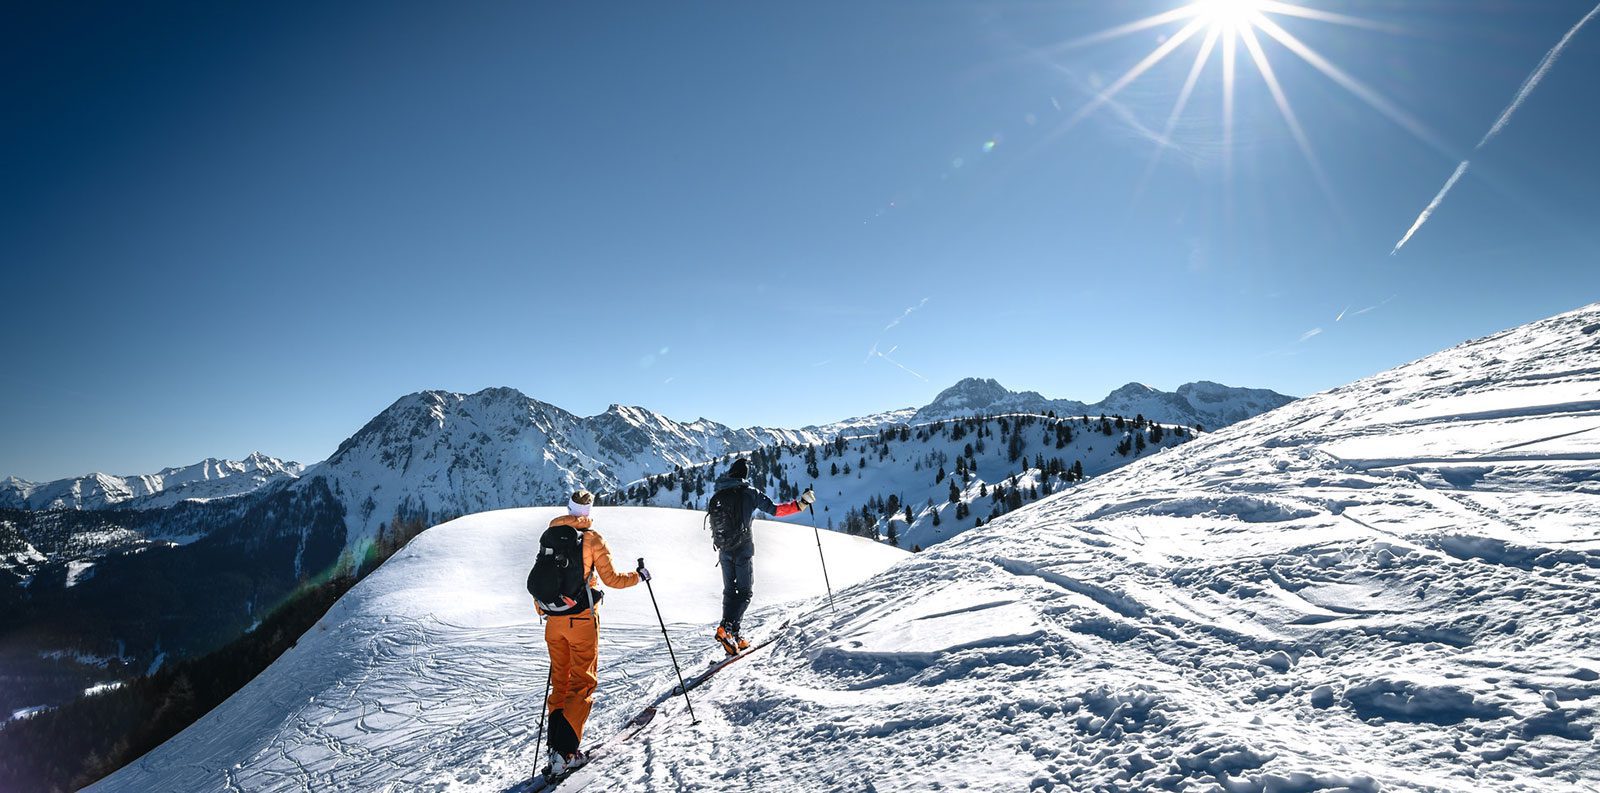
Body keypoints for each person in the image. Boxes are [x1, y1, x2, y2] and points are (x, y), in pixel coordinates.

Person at [533, 489, 646, 775]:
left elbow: (541, 580)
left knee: (560, 684)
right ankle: (565, 753)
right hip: (582, 621)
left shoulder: (549, 536)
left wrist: (549, 609)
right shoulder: (592, 539)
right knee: (582, 684)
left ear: (568, 508)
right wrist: (639, 576)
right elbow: (613, 580)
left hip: (553, 622)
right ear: (589, 512)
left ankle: (555, 749)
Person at [706, 458, 815, 654]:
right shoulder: (750, 493)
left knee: (730, 592)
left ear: (731, 473)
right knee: (745, 593)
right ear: (745, 476)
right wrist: (802, 504)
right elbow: (776, 510)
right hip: (743, 549)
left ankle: (732, 635)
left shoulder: (719, 494)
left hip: (723, 550)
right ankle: (728, 629)